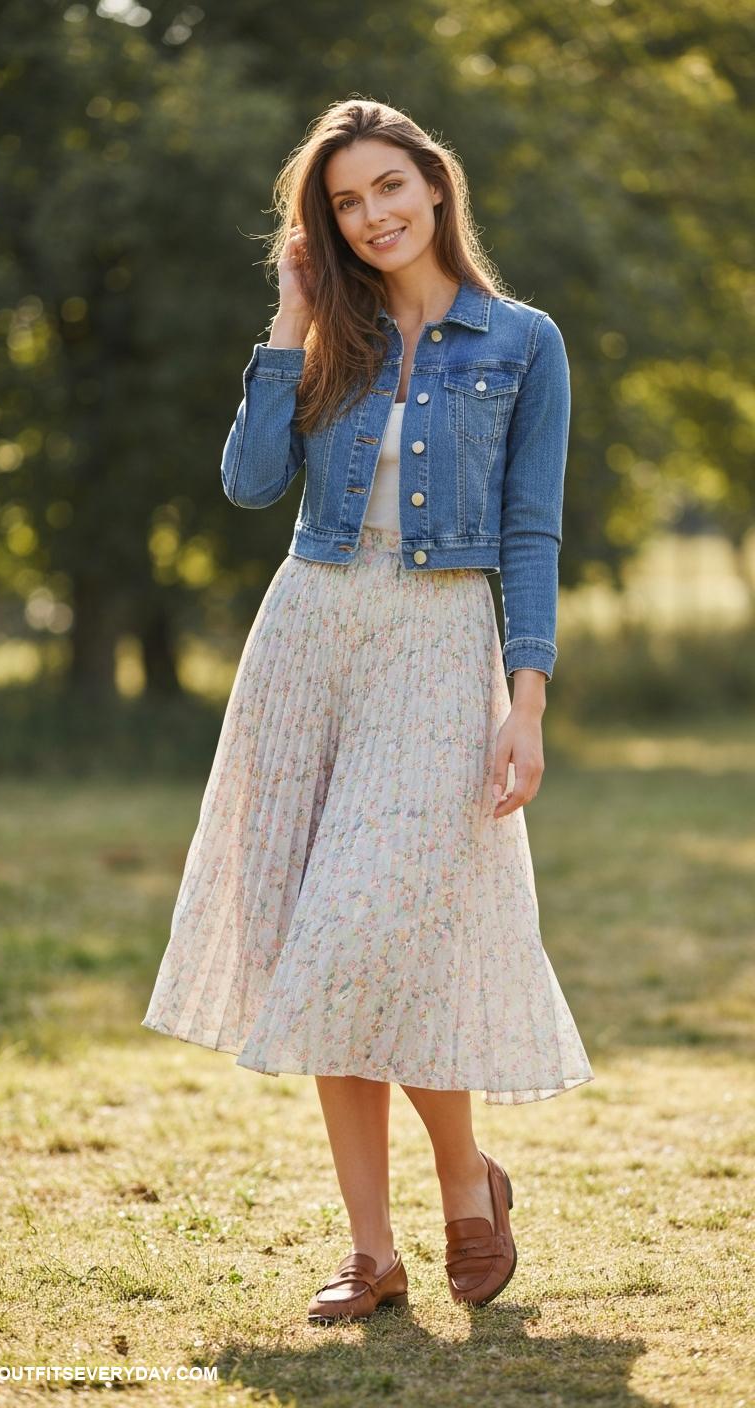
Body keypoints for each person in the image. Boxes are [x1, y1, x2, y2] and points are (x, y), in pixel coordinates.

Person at [142, 98, 594, 1325]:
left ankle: (467, 1183)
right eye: (346, 201)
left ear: (436, 187)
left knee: (369, 929)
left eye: (389, 186)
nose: (373, 214)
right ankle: (372, 1250)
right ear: (325, 223)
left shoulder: (522, 340)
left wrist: (528, 698)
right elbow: (247, 484)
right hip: (309, 635)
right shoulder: (326, 330)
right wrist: (287, 323)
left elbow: (533, 531)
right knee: (314, 941)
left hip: (441, 640)